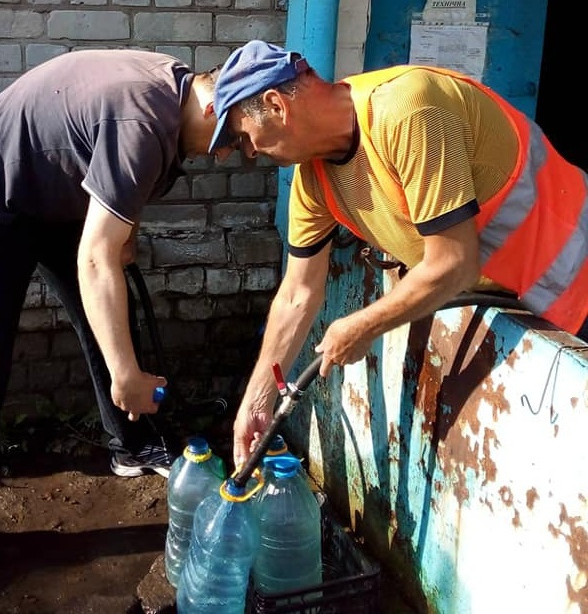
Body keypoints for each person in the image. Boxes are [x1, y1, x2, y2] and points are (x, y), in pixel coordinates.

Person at [0, 48, 230, 600]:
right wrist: (128, 375)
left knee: (109, 321)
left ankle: (129, 443)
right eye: (232, 141)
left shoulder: (174, 95)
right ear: (211, 109)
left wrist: (124, 236)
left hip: (60, 195)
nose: (232, 154)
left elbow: (115, 182)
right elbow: (96, 257)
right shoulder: (144, 120)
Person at [207, 40, 588, 470]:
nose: (250, 152)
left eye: (243, 137)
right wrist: (256, 401)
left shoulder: (409, 109)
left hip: (575, 280)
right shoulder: (314, 181)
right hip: (521, 300)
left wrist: (363, 324)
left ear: (276, 105)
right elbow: (297, 293)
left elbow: (453, 262)